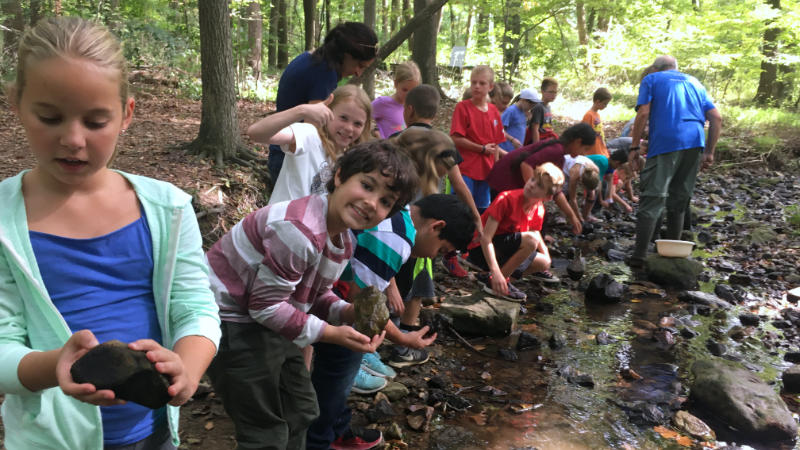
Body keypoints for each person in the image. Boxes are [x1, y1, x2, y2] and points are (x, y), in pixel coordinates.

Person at [0, 17, 220, 449]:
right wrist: (53, 367)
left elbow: (195, 307)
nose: (73, 139)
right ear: (16, 105)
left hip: (152, 434)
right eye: (50, 117)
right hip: (48, 441)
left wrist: (188, 369)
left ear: (127, 114)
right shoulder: (5, 222)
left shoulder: (167, 209)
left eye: (96, 121)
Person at [206, 141, 418, 450]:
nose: (372, 203)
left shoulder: (343, 241)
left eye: (385, 201)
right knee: (265, 431)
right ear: (340, 176)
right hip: (232, 320)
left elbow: (316, 294)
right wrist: (332, 333)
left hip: (272, 314)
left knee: (302, 409)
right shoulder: (299, 230)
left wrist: (347, 313)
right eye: (367, 185)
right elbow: (264, 307)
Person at [307, 194, 475, 450]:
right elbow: (363, 302)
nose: (431, 257)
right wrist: (402, 337)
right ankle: (319, 440)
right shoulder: (396, 240)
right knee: (341, 365)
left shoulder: (399, 214)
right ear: (437, 226)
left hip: (326, 283)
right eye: (440, 250)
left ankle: (336, 426)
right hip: (325, 293)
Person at [627, 55, 722, 268]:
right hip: (694, 142)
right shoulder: (695, 82)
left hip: (666, 142)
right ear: (676, 68)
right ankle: (672, 256)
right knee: (679, 198)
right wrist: (709, 152)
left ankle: (639, 257)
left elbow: (643, 113)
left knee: (653, 196)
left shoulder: (652, 79)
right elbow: (716, 118)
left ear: (655, 68)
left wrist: (634, 146)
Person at [267, 22, 377, 184]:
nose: (358, 72)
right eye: (359, 65)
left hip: (284, 151)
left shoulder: (312, 58)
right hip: (291, 159)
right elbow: (312, 129)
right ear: (345, 54)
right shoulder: (324, 74)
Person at [248, 84, 373, 205]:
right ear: (328, 112)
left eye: (357, 124)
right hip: (278, 224)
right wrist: (301, 110)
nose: (349, 128)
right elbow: (256, 133)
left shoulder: (349, 160)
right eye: (343, 118)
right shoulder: (309, 135)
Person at [467, 163, 565, 301]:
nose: (531, 185)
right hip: (480, 250)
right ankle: (496, 280)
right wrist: (496, 272)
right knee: (530, 241)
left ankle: (491, 279)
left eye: (539, 186)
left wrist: (547, 256)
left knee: (543, 262)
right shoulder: (506, 199)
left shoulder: (539, 209)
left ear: (548, 197)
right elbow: (485, 238)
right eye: (532, 180)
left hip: (502, 249)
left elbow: (535, 231)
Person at [487, 122, 597, 236]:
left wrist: (572, 216)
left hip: (505, 181)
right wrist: (534, 194)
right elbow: (526, 165)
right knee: (530, 211)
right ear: (577, 142)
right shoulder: (556, 150)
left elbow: (556, 192)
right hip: (502, 181)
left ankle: (536, 240)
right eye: (585, 149)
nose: (584, 154)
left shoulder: (559, 153)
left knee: (538, 211)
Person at [449, 65, 506, 215]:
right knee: (462, 208)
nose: (477, 87)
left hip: (486, 171)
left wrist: (496, 168)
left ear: (491, 86)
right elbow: (455, 139)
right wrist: (482, 149)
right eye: (473, 82)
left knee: (482, 210)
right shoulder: (463, 107)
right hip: (465, 168)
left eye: (482, 83)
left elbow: (496, 143)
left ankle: (477, 237)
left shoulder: (494, 111)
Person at [372, 61, 421, 138]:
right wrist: (375, 131)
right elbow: (364, 116)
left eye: (412, 91)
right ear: (396, 84)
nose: (408, 95)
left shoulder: (414, 108)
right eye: (405, 90)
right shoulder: (382, 103)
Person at [561, 155, 601, 224]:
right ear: (581, 182)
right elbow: (573, 199)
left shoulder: (596, 170)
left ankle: (586, 215)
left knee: (592, 194)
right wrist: (579, 218)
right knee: (565, 193)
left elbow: (595, 188)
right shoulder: (575, 176)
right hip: (564, 166)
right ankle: (561, 216)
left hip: (580, 165)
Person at [524, 77, 559, 145]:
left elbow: (548, 127)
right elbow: (535, 129)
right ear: (542, 92)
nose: (554, 95)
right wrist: (536, 147)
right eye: (551, 92)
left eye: (555, 92)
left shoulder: (548, 107)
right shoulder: (538, 107)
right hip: (540, 141)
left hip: (547, 139)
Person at [582, 87, 611, 158]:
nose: (606, 106)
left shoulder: (597, 115)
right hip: (592, 151)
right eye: (605, 104)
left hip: (600, 149)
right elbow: (583, 134)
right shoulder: (588, 115)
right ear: (597, 101)